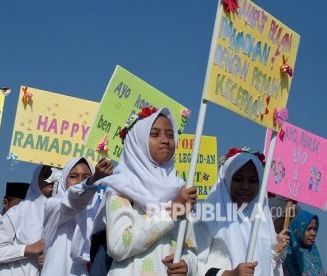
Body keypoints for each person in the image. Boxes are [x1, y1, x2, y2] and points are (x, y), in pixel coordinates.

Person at [90, 106, 197, 276]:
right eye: (154, 134)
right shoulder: (120, 189)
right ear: (137, 142)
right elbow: (118, 246)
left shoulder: (180, 190)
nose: (165, 140)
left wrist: (188, 265)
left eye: (170, 135)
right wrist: (171, 212)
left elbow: (190, 249)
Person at [195, 147, 285, 276]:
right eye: (238, 179)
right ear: (227, 178)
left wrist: (274, 253)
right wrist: (229, 274)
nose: (245, 186)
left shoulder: (263, 223)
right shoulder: (207, 217)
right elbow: (192, 264)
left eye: (253, 181)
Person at [41, 156, 113, 276]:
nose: (80, 181)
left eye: (86, 177)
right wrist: (93, 179)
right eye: (73, 176)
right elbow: (73, 201)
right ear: (64, 180)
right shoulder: (53, 206)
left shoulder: (99, 212)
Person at [0, 165, 56, 275]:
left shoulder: (62, 216)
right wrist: (26, 249)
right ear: (35, 179)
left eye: (56, 176)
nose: (51, 180)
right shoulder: (16, 214)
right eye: (45, 175)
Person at [284, 210, 325, 276]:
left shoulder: (313, 254)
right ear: (297, 229)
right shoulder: (283, 257)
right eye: (309, 229)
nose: (313, 233)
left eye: (314, 229)